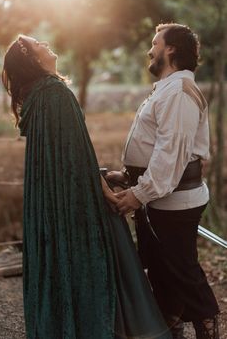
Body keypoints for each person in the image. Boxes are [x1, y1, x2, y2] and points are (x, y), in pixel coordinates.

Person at [2, 35, 172, 339]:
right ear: (31, 58)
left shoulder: (38, 97)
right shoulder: (55, 94)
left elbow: (66, 154)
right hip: (73, 199)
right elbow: (78, 155)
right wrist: (107, 193)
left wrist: (104, 176)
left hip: (52, 195)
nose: (45, 42)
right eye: (37, 42)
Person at [106, 23, 219, 339]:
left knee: (183, 273)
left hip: (173, 200)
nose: (150, 48)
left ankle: (209, 332)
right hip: (159, 198)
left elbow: (171, 154)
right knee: (162, 274)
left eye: (155, 42)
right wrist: (129, 178)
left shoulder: (180, 93)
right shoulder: (168, 89)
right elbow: (157, 147)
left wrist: (139, 193)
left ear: (171, 49)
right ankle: (172, 333)